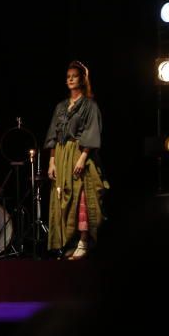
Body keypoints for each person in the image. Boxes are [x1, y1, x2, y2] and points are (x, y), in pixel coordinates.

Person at [44, 61, 108, 260]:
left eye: (74, 75)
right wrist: (52, 162)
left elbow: (91, 132)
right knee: (62, 197)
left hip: (79, 153)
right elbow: (53, 135)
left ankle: (83, 240)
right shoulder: (61, 106)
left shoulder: (89, 105)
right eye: (68, 76)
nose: (70, 79)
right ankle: (68, 243)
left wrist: (82, 158)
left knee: (82, 196)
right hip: (62, 155)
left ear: (82, 79)